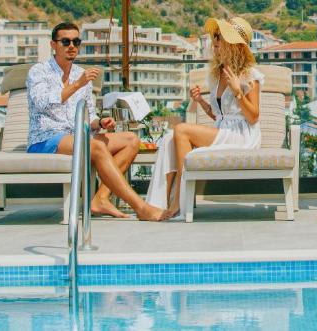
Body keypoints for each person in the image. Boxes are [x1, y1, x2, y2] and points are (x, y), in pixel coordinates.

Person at [27, 21, 163, 221]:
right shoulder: (39, 71)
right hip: (46, 138)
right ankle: (141, 207)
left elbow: (89, 114)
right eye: (65, 41)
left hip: (77, 136)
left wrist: (100, 122)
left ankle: (101, 198)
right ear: (53, 45)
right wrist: (77, 84)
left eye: (76, 41)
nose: (71, 46)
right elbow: (42, 103)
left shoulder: (80, 74)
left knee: (131, 140)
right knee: (96, 146)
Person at [146, 16, 264, 220]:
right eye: (215, 36)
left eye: (220, 36)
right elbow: (219, 115)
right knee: (168, 138)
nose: (215, 40)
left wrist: (238, 92)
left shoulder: (249, 75)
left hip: (242, 135)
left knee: (181, 129)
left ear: (234, 44)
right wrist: (200, 101)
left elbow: (253, 117)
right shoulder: (217, 74)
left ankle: (178, 203)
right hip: (223, 130)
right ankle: (159, 204)